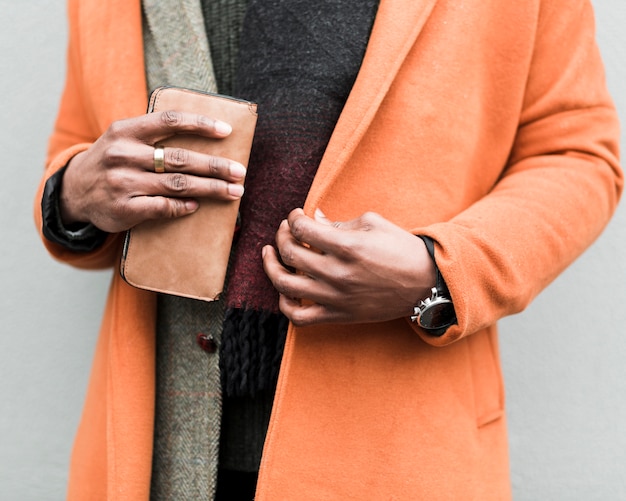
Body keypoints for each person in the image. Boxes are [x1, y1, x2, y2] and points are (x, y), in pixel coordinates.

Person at [34, 0, 622, 499]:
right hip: (157, 448)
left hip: (394, 450)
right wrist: (76, 193)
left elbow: (576, 154)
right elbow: (77, 149)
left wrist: (437, 272)